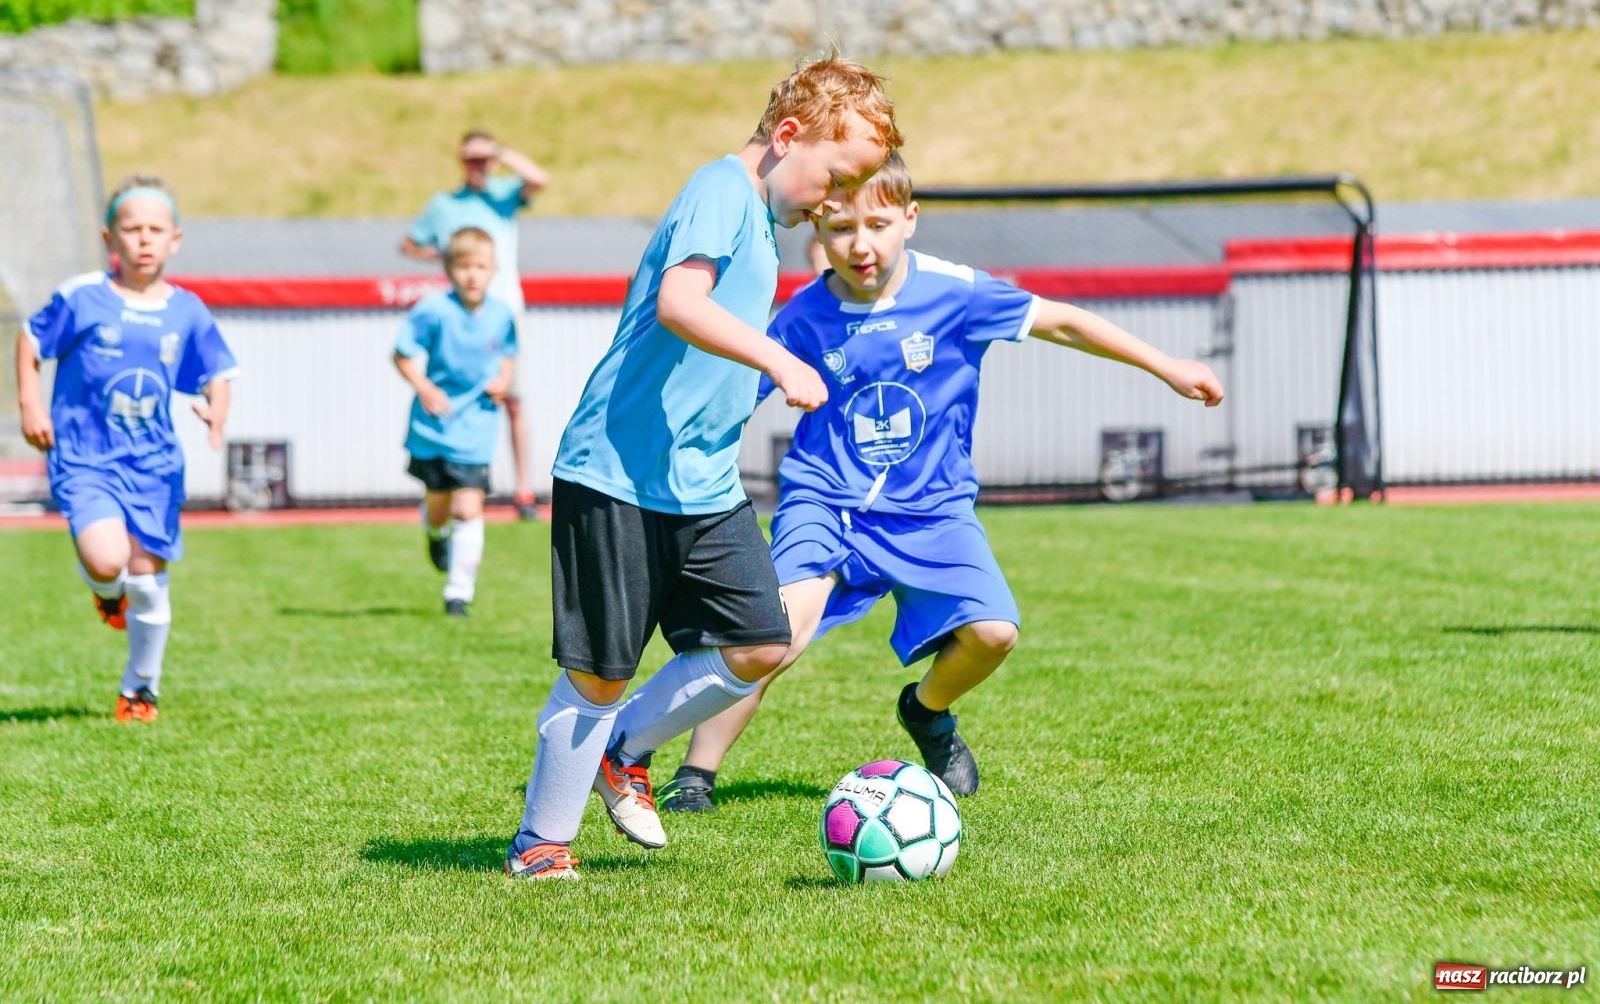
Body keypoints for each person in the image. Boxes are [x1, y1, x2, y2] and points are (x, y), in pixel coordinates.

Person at [656, 153, 1225, 812]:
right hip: (826, 499)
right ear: (816, 231)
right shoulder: (803, 317)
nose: (860, 244)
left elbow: (1063, 321)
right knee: (776, 632)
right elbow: (735, 393)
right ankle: (695, 775)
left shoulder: (956, 293)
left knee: (994, 635)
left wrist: (1167, 366)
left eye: (877, 224)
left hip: (932, 510)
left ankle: (926, 712)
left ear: (910, 219)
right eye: (840, 229)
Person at [503, 56, 902, 881]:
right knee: (599, 672)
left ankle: (623, 752)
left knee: (761, 644)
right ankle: (540, 843)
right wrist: (782, 365)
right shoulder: (723, 188)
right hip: (617, 471)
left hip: (703, 484)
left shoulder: (758, 224)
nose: (832, 202)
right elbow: (679, 305)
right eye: (833, 179)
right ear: (788, 136)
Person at [14, 174, 238, 723]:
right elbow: (31, 338)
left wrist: (216, 408)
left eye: (155, 229)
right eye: (131, 228)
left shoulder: (187, 310)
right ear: (109, 238)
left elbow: (219, 371)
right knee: (108, 559)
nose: (143, 239)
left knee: (146, 572)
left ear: (175, 240)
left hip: (154, 462)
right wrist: (30, 404)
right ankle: (104, 591)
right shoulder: (83, 296)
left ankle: (141, 690)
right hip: (86, 455)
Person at [401, 130, 549, 520]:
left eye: (484, 159)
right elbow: (410, 244)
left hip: (503, 313)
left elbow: (540, 179)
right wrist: (452, 260)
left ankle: (521, 490)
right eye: (471, 159)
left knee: (510, 398)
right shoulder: (445, 205)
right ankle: (446, 483)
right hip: (460, 316)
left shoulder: (503, 196)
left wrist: (500, 152)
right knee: (453, 397)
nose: (478, 166)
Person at [393, 227, 517, 618]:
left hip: (476, 427)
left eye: (480, 266)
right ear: (448, 269)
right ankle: (434, 533)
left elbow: (508, 354)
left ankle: (458, 594)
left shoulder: (502, 315)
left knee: (467, 508)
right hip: (434, 425)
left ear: (493, 269)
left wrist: (504, 380)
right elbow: (402, 354)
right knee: (440, 506)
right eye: (463, 267)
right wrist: (424, 387)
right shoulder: (432, 311)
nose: (472, 275)